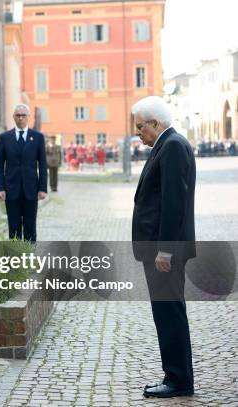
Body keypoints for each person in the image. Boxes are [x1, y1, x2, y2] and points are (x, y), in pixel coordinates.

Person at [131, 96, 196, 399]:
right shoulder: (166, 144)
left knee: (169, 313)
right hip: (159, 249)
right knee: (166, 313)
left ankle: (178, 381)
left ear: (155, 123)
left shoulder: (171, 146)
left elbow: (174, 204)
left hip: (164, 252)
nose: (138, 132)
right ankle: (175, 375)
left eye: (140, 126)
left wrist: (165, 250)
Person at [0, 104, 47, 242]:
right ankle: (15, 259)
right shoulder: (5, 138)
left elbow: (42, 165)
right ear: (13, 117)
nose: (20, 118)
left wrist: (42, 188)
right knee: (14, 227)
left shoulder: (37, 137)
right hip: (11, 190)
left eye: (23, 115)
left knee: (30, 227)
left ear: (28, 117)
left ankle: (29, 259)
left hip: (31, 190)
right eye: (18, 115)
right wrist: (0, 188)